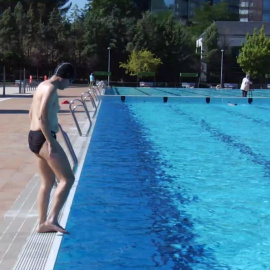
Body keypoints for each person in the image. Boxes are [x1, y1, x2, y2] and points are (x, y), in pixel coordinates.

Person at [28, 62, 75, 234]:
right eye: (70, 82)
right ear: (64, 78)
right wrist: (51, 143)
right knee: (67, 179)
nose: (68, 86)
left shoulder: (42, 85)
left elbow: (31, 113)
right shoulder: (51, 89)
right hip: (43, 138)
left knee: (47, 182)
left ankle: (42, 224)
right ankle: (52, 220)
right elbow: (41, 116)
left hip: (34, 137)